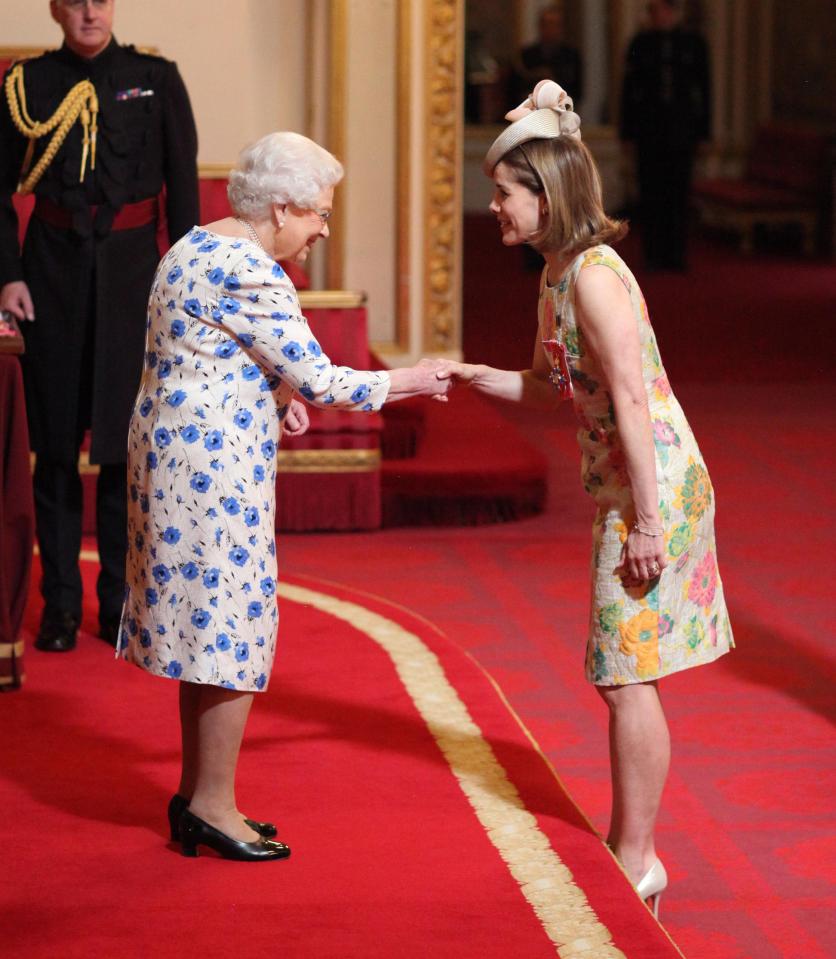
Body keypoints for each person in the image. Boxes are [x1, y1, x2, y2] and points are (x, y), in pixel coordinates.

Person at [117, 131, 452, 861]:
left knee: (207, 629)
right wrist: (413, 379)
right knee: (232, 629)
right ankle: (213, 804)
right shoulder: (252, 270)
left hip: (173, 448)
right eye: (319, 213)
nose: (324, 228)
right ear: (280, 207)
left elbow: (207, 349)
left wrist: (271, 389)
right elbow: (330, 379)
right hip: (212, 466)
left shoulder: (198, 243)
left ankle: (196, 795)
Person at [440, 80, 733, 913]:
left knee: (624, 670)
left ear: (545, 193)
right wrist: (469, 374)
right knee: (623, 669)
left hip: (656, 486)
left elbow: (633, 402)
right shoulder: (556, 274)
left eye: (502, 195)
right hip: (629, 486)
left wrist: (647, 518)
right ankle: (633, 848)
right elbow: (547, 386)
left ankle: (636, 855)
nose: (492, 207)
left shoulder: (595, 279)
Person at [0, 0, 199, 652]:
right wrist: (8, 276)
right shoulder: (25, 86)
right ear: (57, 9)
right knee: (54, 452)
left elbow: (184, 189)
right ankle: (60, 605)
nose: (90, 11)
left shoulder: (158, 78)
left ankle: (117, 603)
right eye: (76, 0)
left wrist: (183, 282)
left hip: (132, 279)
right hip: (49, 276)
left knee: (123, 454)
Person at [619, 0, 711, 270]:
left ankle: (677, 255)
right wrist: (627, 132)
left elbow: (704, 90)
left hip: (682, 132)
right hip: (649, 132)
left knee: (678, 194)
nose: (658, 16)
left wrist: (703, 132)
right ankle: (653, 255)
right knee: (650, 195)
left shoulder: (694, 43)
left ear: (673, 12)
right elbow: (628, 91)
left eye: (662, 10)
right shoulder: (640, 43)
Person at [511, 4, 583, 114]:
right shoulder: (526, 55)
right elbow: (516, 89)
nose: (550, 29)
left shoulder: (571, 56)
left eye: (555, 25)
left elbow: (577, 91)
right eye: (547, 24)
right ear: (540, 27)